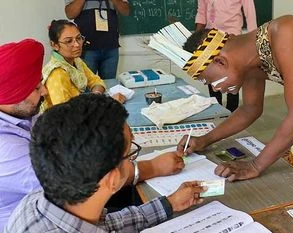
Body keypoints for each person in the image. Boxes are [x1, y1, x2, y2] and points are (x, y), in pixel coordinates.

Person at [158, 15, 293, 232]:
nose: (215, 88)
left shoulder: (286, 34)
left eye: (209, 80)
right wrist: (204, 139)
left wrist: (255, 166)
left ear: (220, 60)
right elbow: (250, 109)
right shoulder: (251, 58)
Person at [4, 94, 206, 233]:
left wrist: (169, 203)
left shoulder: (38, 202)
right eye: (130, 154)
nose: (132, 160)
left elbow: (109, 225)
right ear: (113, 178)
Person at [0, 39, 47, 233]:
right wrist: (145, 168)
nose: (45, 91)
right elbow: (71, 184)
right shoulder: (5, 147)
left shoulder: (23, 114)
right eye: (36, 88)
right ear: (12, 95)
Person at [41, 19, 126, 112]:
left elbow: (95, 80)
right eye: (69, 41)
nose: (77, 45)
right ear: (55, 45)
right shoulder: (57, 74)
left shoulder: (76, 61)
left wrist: (96, 96)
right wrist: (109, 103)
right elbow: (67, 117)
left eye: (78, 38)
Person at [195, 0, 257, 112]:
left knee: (232, 76)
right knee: (212, 76)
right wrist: (196, 38)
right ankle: (216, 111)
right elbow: (201, 12)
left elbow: (250, 12)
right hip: (211, 37)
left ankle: (232, 113)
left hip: (232, 36)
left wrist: (253, 39)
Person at [65, 0, 129, 80]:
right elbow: (70, 14)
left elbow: (125, 11)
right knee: (86, 86)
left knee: (109, 86)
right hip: (86, 49)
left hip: (110, 47)